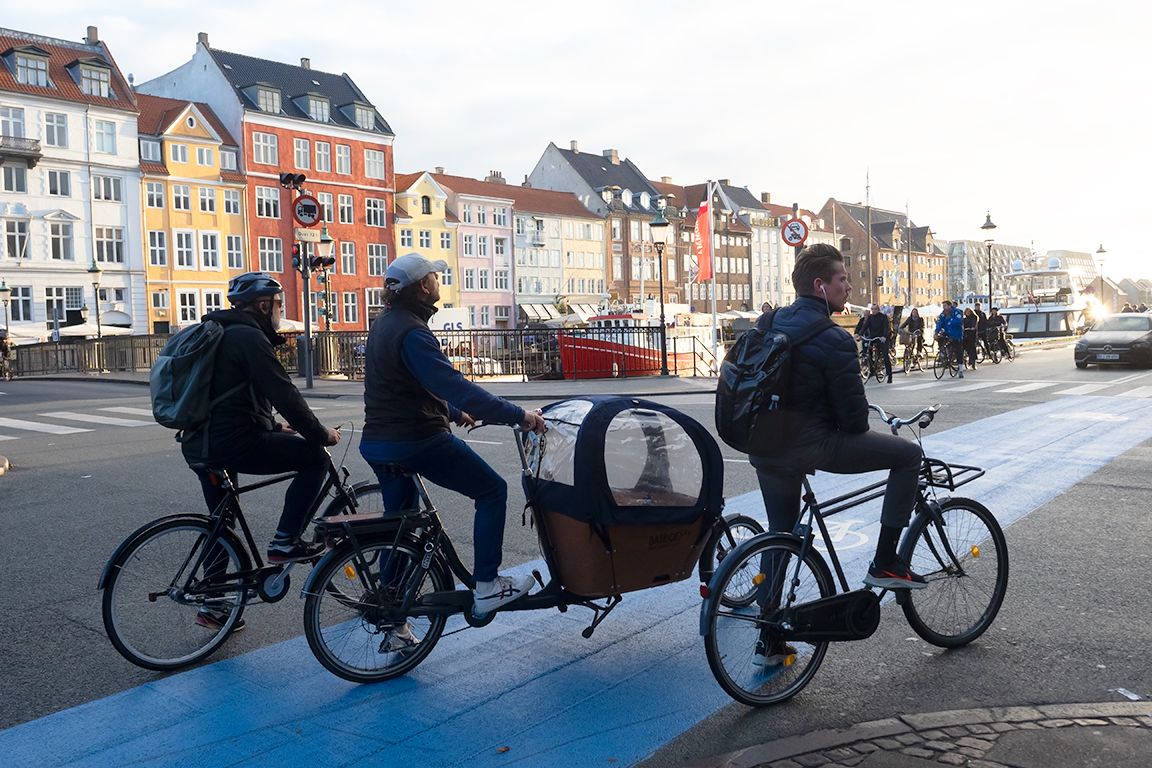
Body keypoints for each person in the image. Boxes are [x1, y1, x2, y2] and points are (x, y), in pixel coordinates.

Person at [748, 243, 926, 666]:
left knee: (782, 535)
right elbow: (853, 423)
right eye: (842, 279)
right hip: (813, 445)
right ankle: (885, 561)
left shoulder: (767, 321)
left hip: (763, 446)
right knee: (906, 456)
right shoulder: (834, 338)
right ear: (819, 285)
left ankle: (768, 643)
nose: (848, 286)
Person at [360, 253, 547, 625]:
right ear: (422, 287)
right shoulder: (413, 331)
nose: (438, 282)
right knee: (491, 491)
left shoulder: (384, 323)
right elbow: (454, 384)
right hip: (416, 439)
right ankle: (488, 586)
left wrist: (451, 412)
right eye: (434, 277)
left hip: (378, 441)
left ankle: (390, 614)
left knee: (399, 525)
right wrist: (520, 416)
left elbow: (403, 386)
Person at [184, 272, 341, 630]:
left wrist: (272, 427)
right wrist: (318, 434)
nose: (279, 311)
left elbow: (234, 396)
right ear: (263, 305)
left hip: (200, 441)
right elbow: (284, 393)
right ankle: (285, 542)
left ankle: (214, 606)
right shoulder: (249, 337)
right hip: (229, 442)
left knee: (220, 524)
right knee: (314, 459)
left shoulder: (220, 331)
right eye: (278, 304)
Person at [855, 303, 893, 383]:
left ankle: (889, 375)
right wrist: (859, 334)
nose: (873, 310)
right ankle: (870, 367)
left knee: (885, 355)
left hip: (882, 338)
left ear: (878, 310)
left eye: (875, 309)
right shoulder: (870, 318)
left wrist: (884, 337)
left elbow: (886, 328)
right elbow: (864, 326)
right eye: (872, 309)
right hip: (873, 337)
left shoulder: (883, 317)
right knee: (868, 349)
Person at [934, 300, 966, 379]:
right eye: (943, 306)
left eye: (945, 306)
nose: (944, 308)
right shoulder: (943, 314)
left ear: (949, 306)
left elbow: (958, 321)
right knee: (940, 339)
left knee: (958, 351)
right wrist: (936, 332)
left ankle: (961, 370)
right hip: (947, 333)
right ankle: (943, 352)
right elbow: (939, 323)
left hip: (956, 334)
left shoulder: (956, 312)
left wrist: (949, 322)